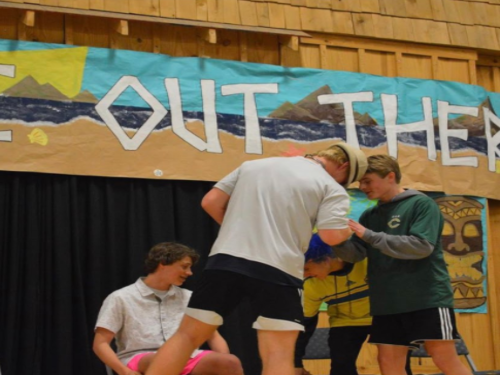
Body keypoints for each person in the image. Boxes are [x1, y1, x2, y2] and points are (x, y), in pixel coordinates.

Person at [145, 142, 368, 375]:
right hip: (279, 270)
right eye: (345, 181)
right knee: (278, 355)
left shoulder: (253, 165)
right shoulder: (330, 187)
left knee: (186, 336)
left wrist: (243, 232)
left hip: (226, 261)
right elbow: (331, 235)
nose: (342, 185)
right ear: (342, 166)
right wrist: (349, 235)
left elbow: (210, 202)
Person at [332, 154, 473, 375]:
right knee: (388, 362)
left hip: (426, 298)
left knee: (444, 359)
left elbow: (420, 246)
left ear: (390, 176)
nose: (363, 187)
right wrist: (336, 239)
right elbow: (356, 254)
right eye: (360, 182)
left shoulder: (421, 204)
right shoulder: (371, 215)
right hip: (387, 302)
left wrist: (369, 235)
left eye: (368, 181)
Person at [93, 242, 243, 375]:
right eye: (184, 267)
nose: (189, 273)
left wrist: (223, 362)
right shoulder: (121, 298)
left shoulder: (189, 297)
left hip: (185, 356)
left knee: (230, 362)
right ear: (163, 263)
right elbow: (100, 344)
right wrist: (124, 371)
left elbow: (213, 336)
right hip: (139, 357)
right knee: (166, 361)